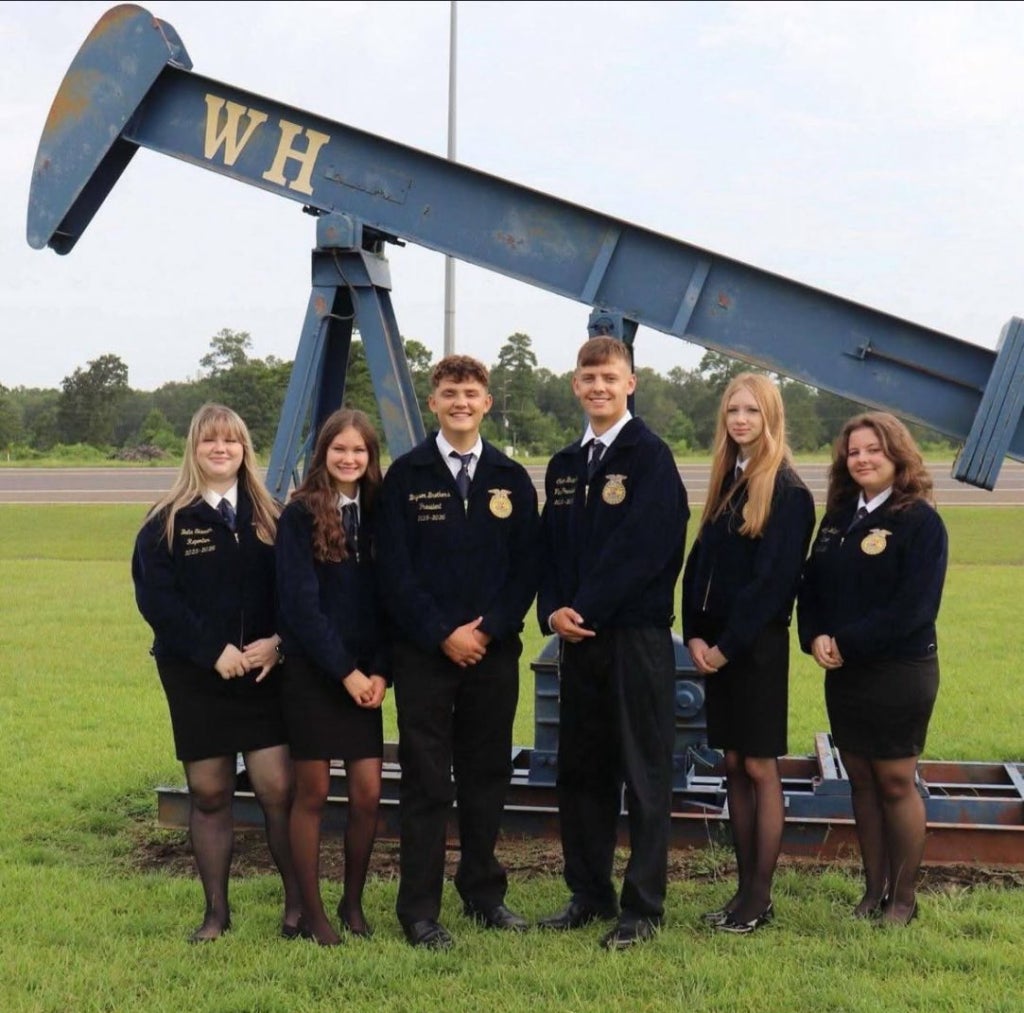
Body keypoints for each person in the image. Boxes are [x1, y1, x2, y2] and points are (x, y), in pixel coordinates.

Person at [375, 354, 540, 950]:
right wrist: (443, 632)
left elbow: (527, 569)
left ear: (487, 402)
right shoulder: (406, 476)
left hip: (492, 656)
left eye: (471, 393)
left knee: (486, 776)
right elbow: (392, 570)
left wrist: (489, 630)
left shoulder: (511, 478)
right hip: (424, 655)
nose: (461, 402)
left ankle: (483, 894)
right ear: (435, 402)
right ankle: (419, 909)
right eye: (450, 393)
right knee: (425, 780)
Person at [536, 336, 688, 951]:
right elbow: (550, 550)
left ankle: (643, 907)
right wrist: (552, 612)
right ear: (575, 384)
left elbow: (646, 550)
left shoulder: (651, 457)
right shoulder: (565, 464)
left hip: (633, 639)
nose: (598, 386)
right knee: (583, 772)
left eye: (610, 377)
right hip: (579, 642)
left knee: (643, 773)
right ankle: (589, 892)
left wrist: (587, 606)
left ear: (631, 384)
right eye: (588, 377)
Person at [132, 403, 301, 942]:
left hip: (262, 676)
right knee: (209, 794)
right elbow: (158, 603)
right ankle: (215, 914)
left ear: (244, 448)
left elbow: (296, 593)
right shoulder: (167, 522)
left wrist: (276, 644)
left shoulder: (273, 516)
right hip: (196, 678)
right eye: (210, 442)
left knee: (278, 789)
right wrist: (212, 651)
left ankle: (297, 907)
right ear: (195, 449)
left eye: (230, 441)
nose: (221, 450)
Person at [797, 412, 947, 926]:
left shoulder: (920, 521)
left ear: (897, 455)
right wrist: (814, 634)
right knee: (859, 778)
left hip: (899, 670)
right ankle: (872, 891)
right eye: (854, 452)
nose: (861, 459)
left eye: (873, 450)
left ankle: (903, 900)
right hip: (846, 672)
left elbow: (914, 609)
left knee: (894, 781)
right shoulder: (839, 516)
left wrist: (845, 640)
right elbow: (811, 585)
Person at [681, 373, 815, 934]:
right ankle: (741, 895)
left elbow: (772, 585)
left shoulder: (788, 492)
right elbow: (699, 567)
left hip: (753, 650)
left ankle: (759, 900)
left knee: (759, 766)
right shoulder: (727, 481)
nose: (740, 420)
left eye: (752, 412)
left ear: (771, 418)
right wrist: (693, 635)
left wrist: (727, 647)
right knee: (732, 764)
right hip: (715, 650)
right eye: (733, 411)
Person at [275, 408, 389, 947]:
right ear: (323, 454)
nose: (349, 458)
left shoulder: (379, 514)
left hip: (366, 678)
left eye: (359, 451)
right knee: (314, 791)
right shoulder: (298, 517)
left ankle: (353, 902)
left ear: (370, 458)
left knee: (368, 793)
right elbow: (300, 607)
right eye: (339, 449)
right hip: (315, 674)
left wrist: (380, 673)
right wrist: (345, 673)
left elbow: (389, 603)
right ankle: (312, 913)